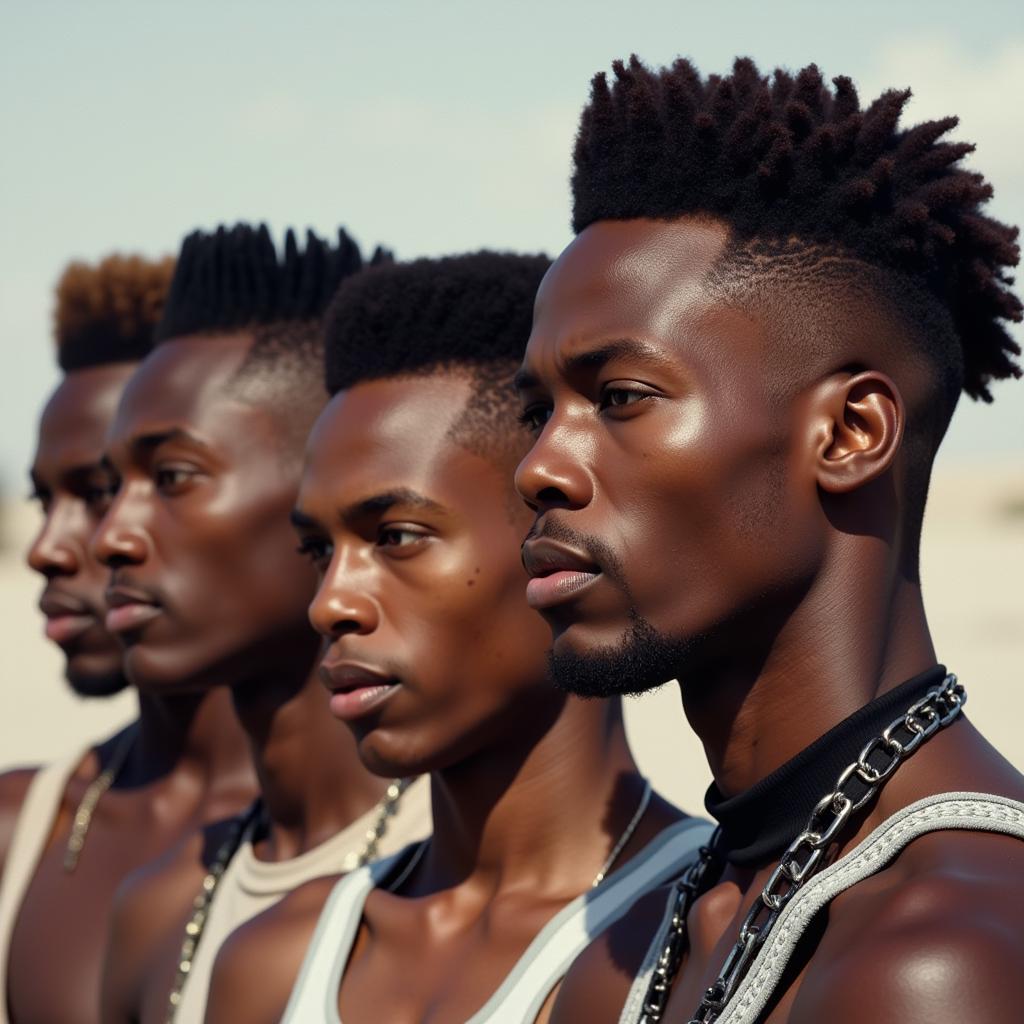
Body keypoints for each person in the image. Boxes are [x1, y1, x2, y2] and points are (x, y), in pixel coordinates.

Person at [512, 57, 1024, 1023]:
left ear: (851, 435)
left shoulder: (944, 962)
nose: (539, 467)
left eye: (619, 397)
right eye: (541, 409)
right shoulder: (635, 947)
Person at [202, 251, 710, 1024]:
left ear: (554, 533)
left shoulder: (700, 946)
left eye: (397, 536)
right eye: (320, 552)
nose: (330, 603)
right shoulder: (275, 960)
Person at [94, 225, 430, 1024]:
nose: (112, 534)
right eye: (117, 484)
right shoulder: (158, 905)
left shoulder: (454, 884)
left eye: (171, 476)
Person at [0, 254, 256, 1024]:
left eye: (102, 491)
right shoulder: (23, 826)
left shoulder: (401, 847)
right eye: (46, 499)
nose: (52, 545)